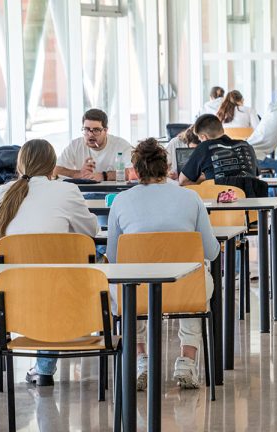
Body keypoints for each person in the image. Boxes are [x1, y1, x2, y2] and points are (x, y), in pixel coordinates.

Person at [0, 139, 100, 386]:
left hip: (11, 293)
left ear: (20, 164)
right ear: (53, 165)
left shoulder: (2, 192)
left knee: (45, 276)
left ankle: (41, 368)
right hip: (61, 291)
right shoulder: (66, 191)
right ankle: (43, 366)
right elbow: (91, 230)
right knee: (58, 272)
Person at [107, 139, 220, 389]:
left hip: (138, 293)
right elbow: (211, 252)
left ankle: (141, 360)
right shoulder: (191, 198)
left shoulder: (121, 202)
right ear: (167, 167)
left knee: (127, 282)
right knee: (197, 279)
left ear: (136, 171)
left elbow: (114, 258)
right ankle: (187, 362)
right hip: (186, 292)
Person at [54, 108, 133, 181]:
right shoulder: (75, 145)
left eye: (96, 130)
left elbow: (135, 172)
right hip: (84, 193)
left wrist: (103, 176)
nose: (90, 134)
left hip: (113, 193)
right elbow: (55, 170)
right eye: (86, 129)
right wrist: (78, 174)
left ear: (105, 131)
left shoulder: (121, 145)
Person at [179, 114, 257, 185]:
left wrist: (205, 179)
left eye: (200, 139)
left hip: (219, 198)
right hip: (251, 198)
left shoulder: (204, 147)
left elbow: (182, 181)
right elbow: (254, 175)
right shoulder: (246, 145)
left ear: (203, 137)